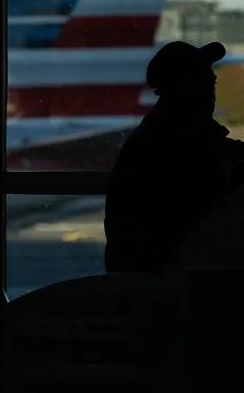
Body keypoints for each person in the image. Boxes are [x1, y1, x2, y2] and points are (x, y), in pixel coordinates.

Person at [105, 40, 244, 273]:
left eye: (210, 81)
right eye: (200, 80)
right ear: (180, 87)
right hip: (169, 282)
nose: (210, 88)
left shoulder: (169, 132)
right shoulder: (179, 140)